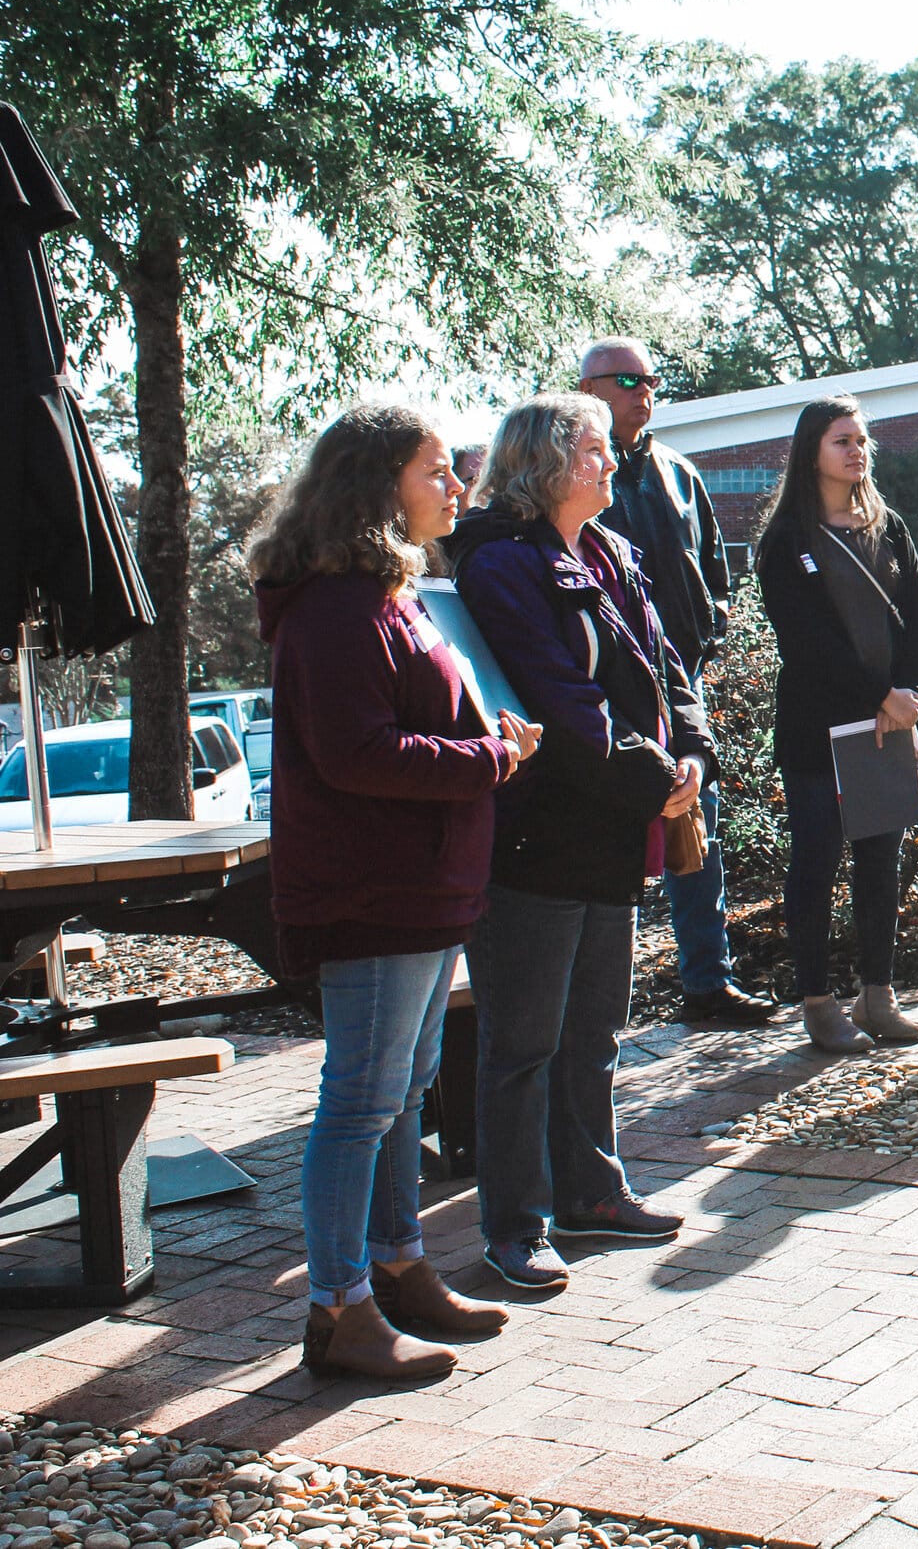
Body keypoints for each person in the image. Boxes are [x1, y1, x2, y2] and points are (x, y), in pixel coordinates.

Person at [250, 404, 539, 1378]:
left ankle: (398, 1264)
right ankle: (338, 1307)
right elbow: (355, 752)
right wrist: (485, 757)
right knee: (361, 1102)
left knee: (402, 1093)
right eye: (434, 470)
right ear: (378, 485)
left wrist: (485, 740)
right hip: (373, 890)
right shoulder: (335, 606)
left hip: (423, 887)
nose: (456, 486)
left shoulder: (386, 594)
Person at [444, 392, 711, 1291]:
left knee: (595, 1026)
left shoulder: (610, 551)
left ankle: (590, 1195)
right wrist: (655, 778)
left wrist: (694, 756)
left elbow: (670, 668)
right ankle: (515, 1224)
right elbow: (560, 704)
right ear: (545, 465)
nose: (610, 463)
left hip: (612, 832)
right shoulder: (501, 566)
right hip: (539, 838)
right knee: (522, 1042)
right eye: (594, 450)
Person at [579, 338, 770, 1025]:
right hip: (601, 689)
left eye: (652, 379)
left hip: (678, 681)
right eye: (628, 378)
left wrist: (709, 630)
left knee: (698, 829)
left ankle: (707, 982)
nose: (644, 390)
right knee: (611, 841)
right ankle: (600, 1002)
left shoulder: (679, 474)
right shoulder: (568, 474)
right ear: (588, 387)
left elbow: (714, 571)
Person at [753, 396, 918, 1053]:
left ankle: (877, 995)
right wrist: (882, 694)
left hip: (887, 726)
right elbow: (807, 643)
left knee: (880, 861)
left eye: (862, 439)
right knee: (817, 861)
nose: (857, 451)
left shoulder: (890, 525)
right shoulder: (786, 540)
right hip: (820, 730)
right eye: (841, 440)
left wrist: (908, 690)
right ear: (811, 451)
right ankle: (819, 1001)